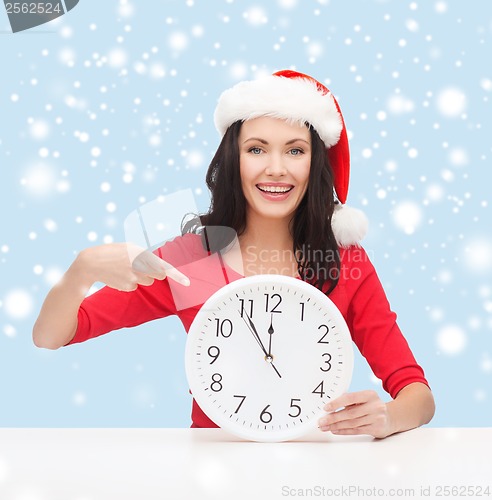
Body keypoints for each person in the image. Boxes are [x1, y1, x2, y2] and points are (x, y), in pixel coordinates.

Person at [33, 69, 435, 438]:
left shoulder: (344, 262)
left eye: (295, 151)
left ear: (315, 164)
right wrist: (81, 270)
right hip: (213, 467)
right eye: (257, 150)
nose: (276, 168)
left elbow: (417, 393)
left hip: (314, 461)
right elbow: (51, 336)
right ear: (233, 161)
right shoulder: (192, 261)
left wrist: (389, 417)